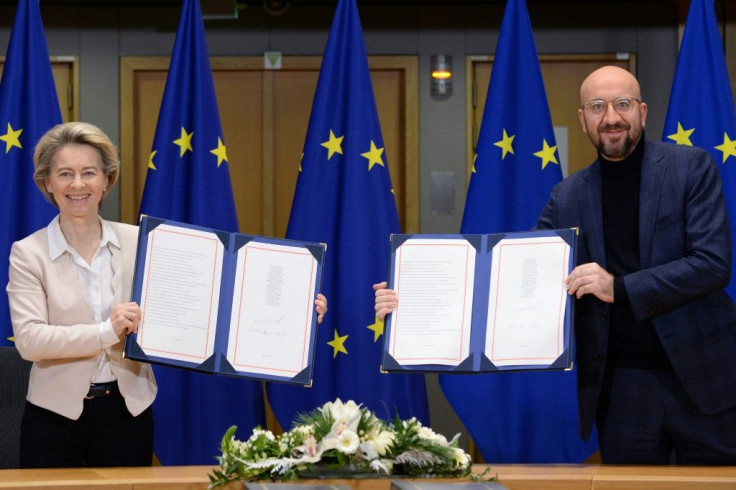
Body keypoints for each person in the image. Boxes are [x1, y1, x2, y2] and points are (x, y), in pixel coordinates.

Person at [376, 66, 736, 465]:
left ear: (643, 112)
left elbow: (712, 263)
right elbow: (508, 276)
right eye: (598, 107)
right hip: (622, 389)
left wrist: (617, 287)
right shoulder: (568, 196)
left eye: (623, 104)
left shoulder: (691, 168)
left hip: (704, 379)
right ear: (583, 119)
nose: (612, 117)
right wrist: (411, 303)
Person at [8, 122, 329, 468]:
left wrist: (296, 308)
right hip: (53, 419)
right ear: (47, 182)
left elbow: (214, 299)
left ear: (106, 181)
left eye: (89, 173)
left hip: (128, 413)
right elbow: (30, 340)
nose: (78, 185)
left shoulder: (144, 242)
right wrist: (107, 331)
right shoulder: (28, 253)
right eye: (65, 174)